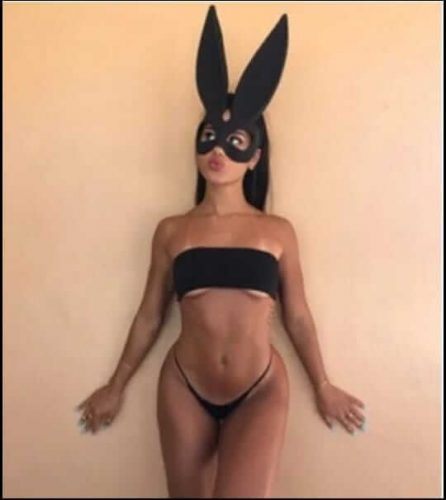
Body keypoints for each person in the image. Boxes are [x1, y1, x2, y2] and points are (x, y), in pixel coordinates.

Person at [76, 5, 366, 498]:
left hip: (260, 389)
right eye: (209, 137)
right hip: (183, 386)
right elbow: (149, 315)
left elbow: (297, 316)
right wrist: (115, 385)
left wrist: (322, 385)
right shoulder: (171, 231)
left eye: (236, 142)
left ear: (254, 157)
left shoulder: (278, 231)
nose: (219, 150)